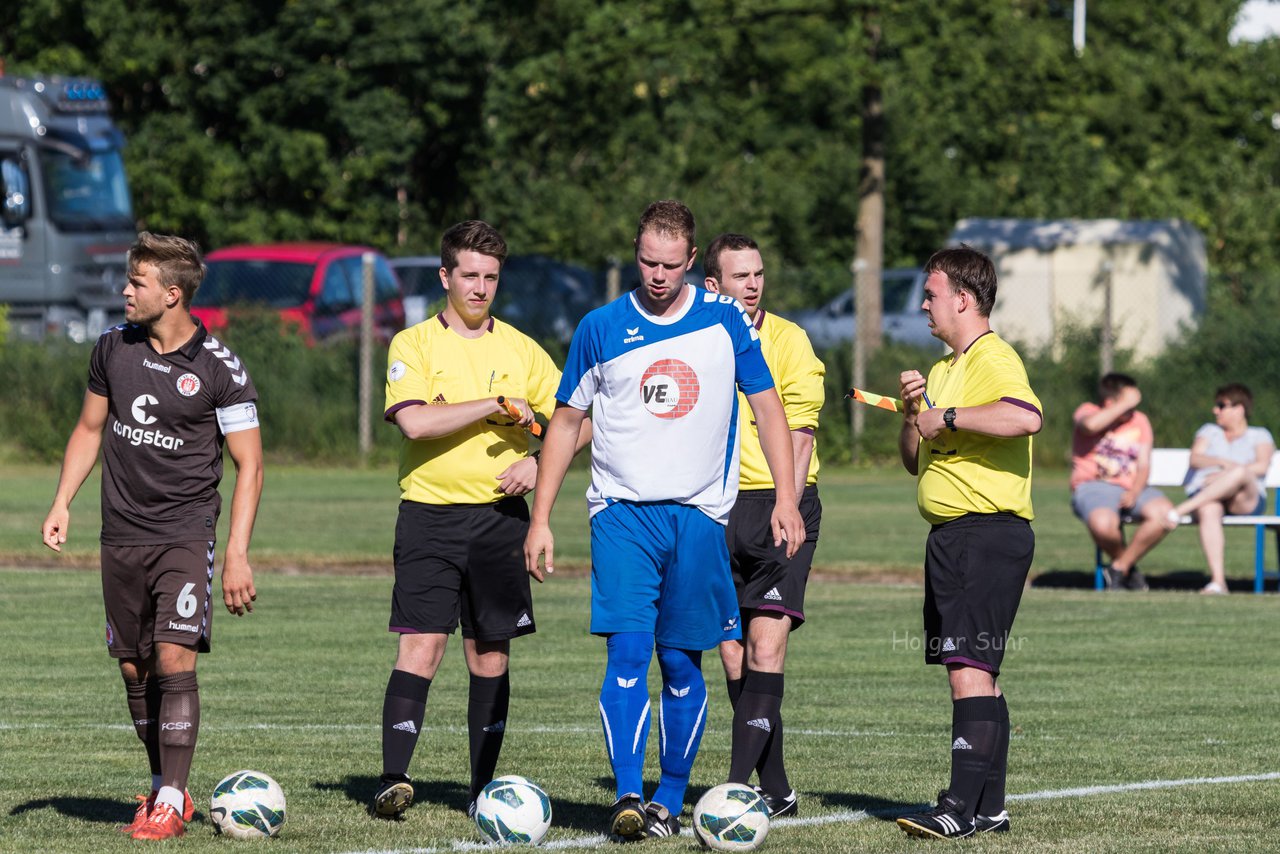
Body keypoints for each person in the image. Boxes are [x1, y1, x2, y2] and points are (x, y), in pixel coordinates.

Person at [524, 201, 806, 841]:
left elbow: (767, 408)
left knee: (682, 662)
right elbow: (566, 424)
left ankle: (670, 799)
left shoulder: (726, 322)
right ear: (635, 251)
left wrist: (786, 497)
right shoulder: (599, 326)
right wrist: (540, 518)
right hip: (621, 515)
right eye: (648, 261)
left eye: (671, 265)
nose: (657, 275)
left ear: (691, 261)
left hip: (701, 519)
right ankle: (628, 793)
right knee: (626, 652)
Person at [41, 232, 264, 841]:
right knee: (135, 670)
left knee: (173, 658)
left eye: (135, 283)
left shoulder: (221, 369)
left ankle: (168, 799)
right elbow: (90, 429)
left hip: (185, 534)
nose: (124, 291)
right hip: (121, 534)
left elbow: (252, 464)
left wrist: (237, 553)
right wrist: (63, 501)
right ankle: (169, 790)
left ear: (171, 293)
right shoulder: (112, 348)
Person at [373, 220, 590, 820]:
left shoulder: (522, 350)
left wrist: (538, 459)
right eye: (469, 275)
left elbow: (580, 422)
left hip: (500, 522)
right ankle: (394, 778)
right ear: (445, 277)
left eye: (490, 277)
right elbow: (415, 422)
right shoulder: (414, 344)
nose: (480, 287)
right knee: (421, 645)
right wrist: (495, 405)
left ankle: (481, 791)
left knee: (490, 655)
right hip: (429, 517)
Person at [894, 245, 1042, 840]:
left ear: (962, 298)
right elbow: (914, 462)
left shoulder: (991, 355)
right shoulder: (941, 369)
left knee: (968, 667)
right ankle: (990, 807)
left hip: (984, 533)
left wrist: (948, 415)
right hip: (955, 537)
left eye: (930, 294)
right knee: (981, 670)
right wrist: (914, 416)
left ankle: (957, 806)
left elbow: (1025, 416)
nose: (924, 305)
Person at [703, 233, 824, 817]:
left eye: (758, 274)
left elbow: (799, 436)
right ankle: (774, 788)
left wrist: (788, 503)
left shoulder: (790, 341)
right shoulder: (699, 335)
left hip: (779, 504)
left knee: (765, 645)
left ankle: (730, 795)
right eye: (739, 275)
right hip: (715, 507)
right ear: (713, 285)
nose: (753, 284)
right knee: (732, 655)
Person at [1164, 383, 1275, 594]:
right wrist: (1222, 462)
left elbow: (1261, 466)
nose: (1215, 410)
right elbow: (1195, 458)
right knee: (1208, 509)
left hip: (1245, 499)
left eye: (1221, 405)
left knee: (1240, 473)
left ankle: (1180, 510)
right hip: (1208, 498)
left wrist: (1227, 472)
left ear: (1239, 409)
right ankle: (1218, 581)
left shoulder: (1259, 435)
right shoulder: (1209, 431)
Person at [1070, 373, 1176, 591]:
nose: (1132, 409)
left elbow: (1144, 465)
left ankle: (1119, 568)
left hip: (1133, 487)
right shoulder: (1087, 411)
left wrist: (1135, 492)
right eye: (1129, 404)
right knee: (1103, 524)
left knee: (1167, 515)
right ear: (1111, 402)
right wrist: (1124, 403)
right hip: (1093, 486)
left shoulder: (1140, 421)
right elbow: (1089, 426)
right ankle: (1129, 569)